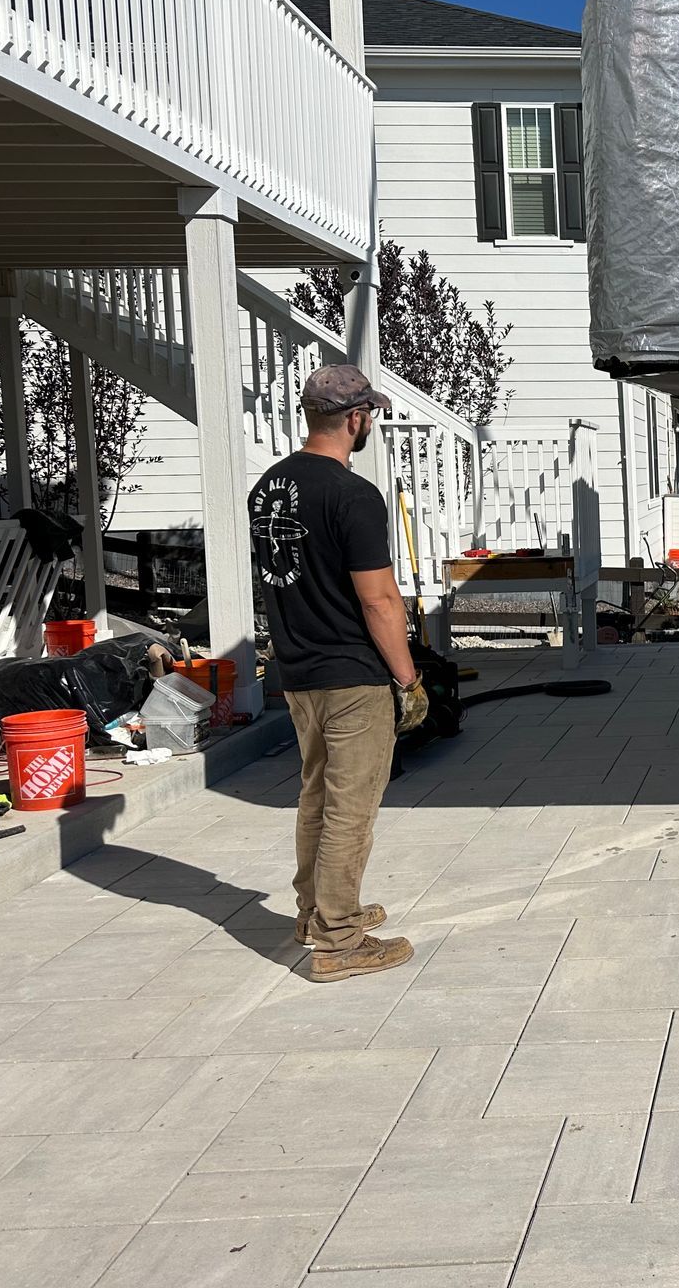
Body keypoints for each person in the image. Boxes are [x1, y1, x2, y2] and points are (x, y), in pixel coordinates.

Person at [250, 364, 429, 982]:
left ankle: (316, 912)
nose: (371, 423)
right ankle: (340, 941)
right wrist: (408, 680)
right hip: (351, 674)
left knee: (317, 797)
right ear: (355, 419)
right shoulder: (353, 495)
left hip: (297, 670)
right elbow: (379, 601)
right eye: (370, 414)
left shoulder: (269, 488)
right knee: (350, 809)